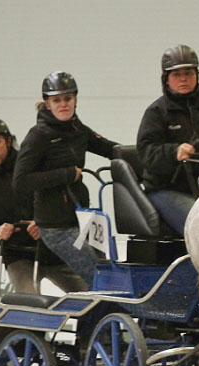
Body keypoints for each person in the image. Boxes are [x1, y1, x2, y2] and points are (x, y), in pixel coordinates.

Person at [14, 71, 121, 287]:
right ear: (47, 103)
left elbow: (109, 148)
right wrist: (66, 174)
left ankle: (97, 317)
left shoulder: (77, 129)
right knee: (100, 279)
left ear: (75, 100)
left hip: (83, 217)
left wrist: (143, 155)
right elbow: (21, 180)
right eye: (57, 100)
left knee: (106, 272)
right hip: (56, 227)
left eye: (68, 99)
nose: (63, 104)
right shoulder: (38, 136)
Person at [0, 118, 87, 294]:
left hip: (55, 249)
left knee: (90, 294)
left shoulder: (34, 165)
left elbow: (64, 199)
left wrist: (45, 223)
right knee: (29, 303)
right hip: (17, 255)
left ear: (8, 141)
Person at [136, 44, 199, 235]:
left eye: (188, 72)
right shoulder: (156, 112)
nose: (183, 78)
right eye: (176, 74)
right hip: (167, 189)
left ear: (197, 75)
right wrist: (173, 152)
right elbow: (146, 153)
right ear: (166, 79)